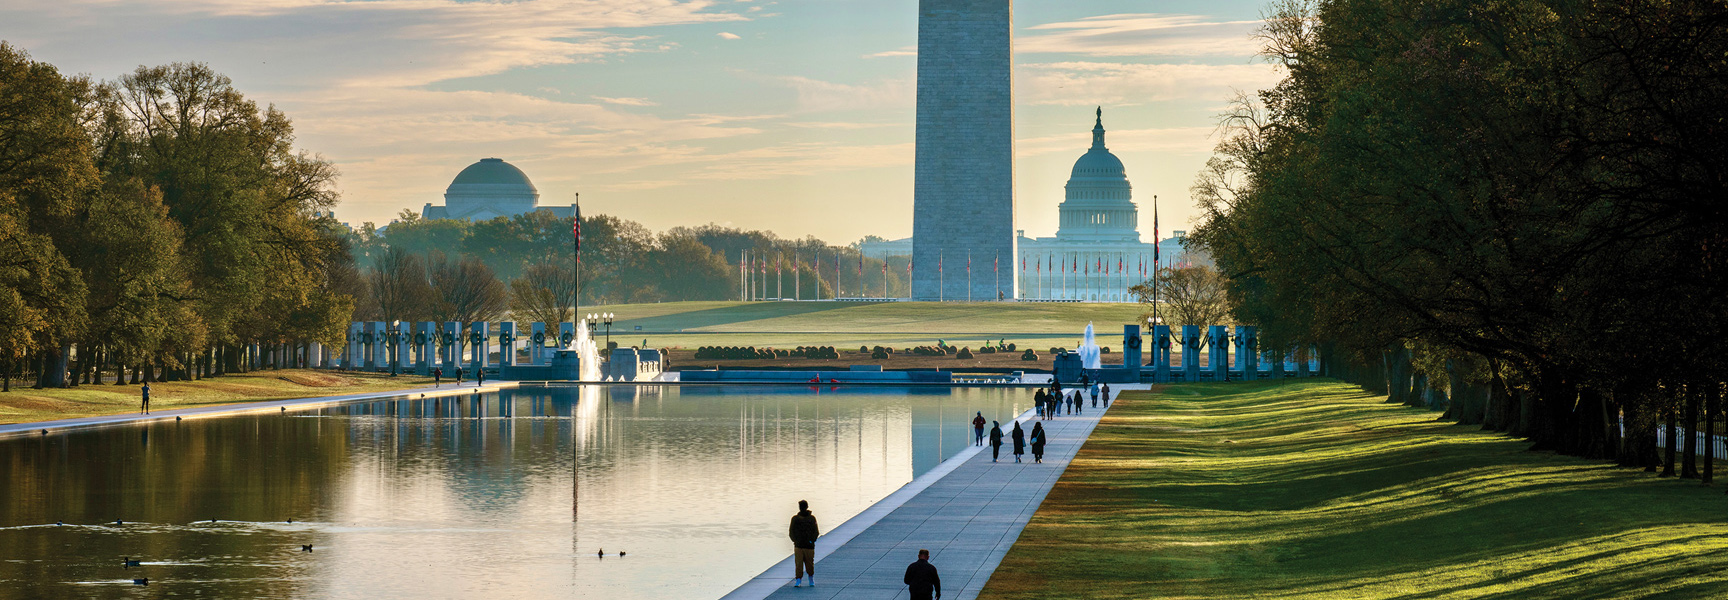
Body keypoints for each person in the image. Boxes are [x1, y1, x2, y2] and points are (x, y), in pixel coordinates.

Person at [789, 500, 820, 587]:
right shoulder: (795, 519)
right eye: (800, 507)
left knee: (810, 563)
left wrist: (812, 540)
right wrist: (795, 540)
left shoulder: (812, 518)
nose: (801, 508)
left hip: (809, 546)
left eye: (802, 506)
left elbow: (816, 531)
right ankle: (798, 580)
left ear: (806, 507)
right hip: (798, 545)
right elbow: (791, 531)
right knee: (798, 564)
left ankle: (811, 578)